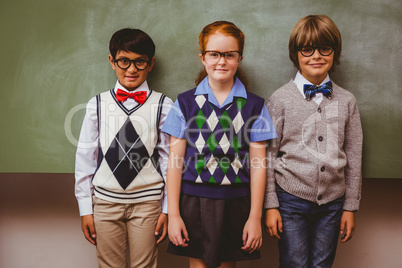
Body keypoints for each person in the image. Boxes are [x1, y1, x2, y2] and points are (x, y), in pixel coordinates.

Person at [162, 21, 277, 268]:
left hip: (236, 202)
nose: (221, 61)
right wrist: (173, 215)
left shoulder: (255, 106)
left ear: (240, 58)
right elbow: (174, 163)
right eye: (214, 54)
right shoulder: (184, 103)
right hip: (193, 201)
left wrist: (255, 217)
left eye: (229, 55)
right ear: (203, 58)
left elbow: (259, 166)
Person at [264, 15, 363, 268]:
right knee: (293, 263)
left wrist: (350, 206)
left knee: (322, 264)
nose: (316, 56)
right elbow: (267, 156)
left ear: (335, 52)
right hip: (290, 200)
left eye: (325, 48)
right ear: (295, 53)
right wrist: (271, 204)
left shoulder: (347, 101)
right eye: (307, 49)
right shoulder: (279, 100)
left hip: (332, 203)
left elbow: (354, 155)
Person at [74, 28, 172, 268]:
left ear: (151, 64)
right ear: (112, 61)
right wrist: (85, 208)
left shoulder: (164, 104)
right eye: (124, 61)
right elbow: (85, 158)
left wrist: (168, 209)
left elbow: (170, 160)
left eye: (140, 62)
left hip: (149, 203)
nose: (131, 69)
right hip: (105, 204)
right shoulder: (97, 104)